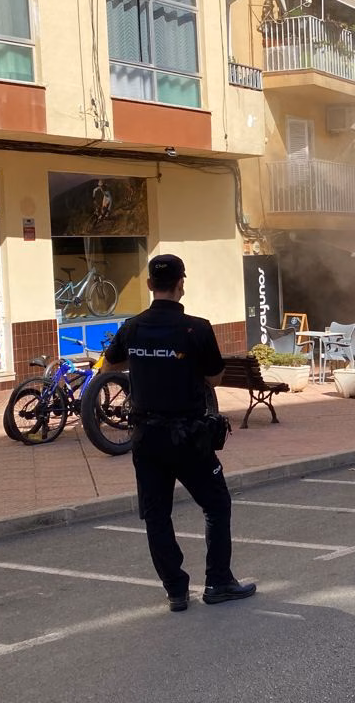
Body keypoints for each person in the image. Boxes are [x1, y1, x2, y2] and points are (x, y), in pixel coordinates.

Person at [101, 254, 255, 612]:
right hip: (189, 438)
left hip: (146, 438)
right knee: (216, 504)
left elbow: (111, 364)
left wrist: (146, 361)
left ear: (151, 285)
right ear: (181, 283)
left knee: (157, 515)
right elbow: (215, 377)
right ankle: (218, 582)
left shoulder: (132, 327)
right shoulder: (197, 328)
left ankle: (175, 590)